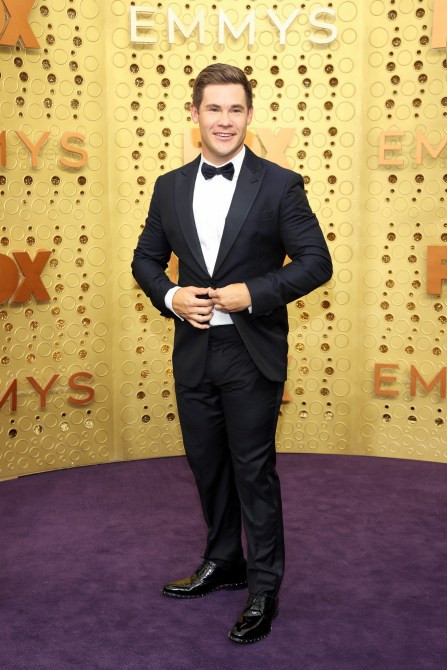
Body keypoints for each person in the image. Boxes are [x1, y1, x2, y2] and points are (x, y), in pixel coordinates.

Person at [132, 63, 332, 644]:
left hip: (251, 351)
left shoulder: (280, 184)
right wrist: (170, 295)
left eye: (235, 109)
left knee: (253, 471)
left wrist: (255, 292)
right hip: (194, 349)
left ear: (249, 115)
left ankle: (264, 588)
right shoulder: (168, 186)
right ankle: (224, 562)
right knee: (207, 464)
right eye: (214, 109)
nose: (225, 120)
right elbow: (145, 259)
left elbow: (317, 262)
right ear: (194, 115)